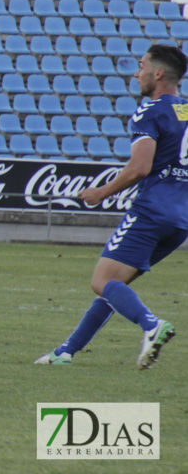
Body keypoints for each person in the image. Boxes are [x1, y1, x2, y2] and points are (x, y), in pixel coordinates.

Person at [35, 45, 187, 369]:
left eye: (142, 66)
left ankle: (151, 326)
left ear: (158, 73)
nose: (137, 73)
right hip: (180, 220)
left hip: (151, 212)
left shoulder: (151, 111)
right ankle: (66, 351)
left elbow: (140, 167)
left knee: (102, 281)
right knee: (116, 287)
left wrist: (101, 192)